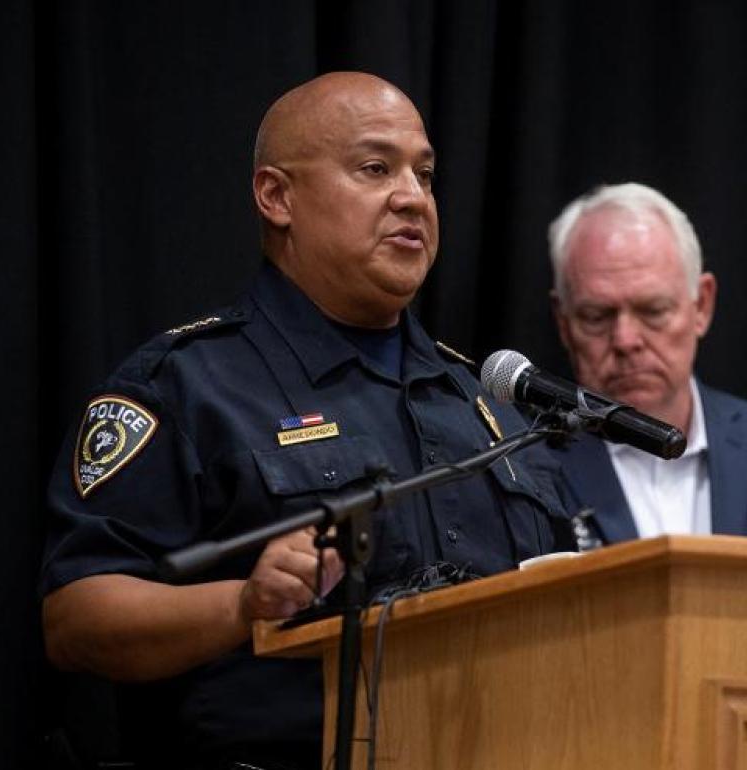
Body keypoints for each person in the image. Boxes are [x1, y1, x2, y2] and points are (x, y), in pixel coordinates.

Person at [39, 71, 573, 770]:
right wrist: (242, 605)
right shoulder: (189, 386)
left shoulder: (481, 403)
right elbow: (77, 618)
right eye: (375, 169)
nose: (412, 197)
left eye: (426, 175)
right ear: (277, 196)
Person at [546, 182, 747, 546]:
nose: (625, 340)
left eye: (653, 311)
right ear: (563, 322)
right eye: (597, 316)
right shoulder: (519, 467)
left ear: (702, 306)